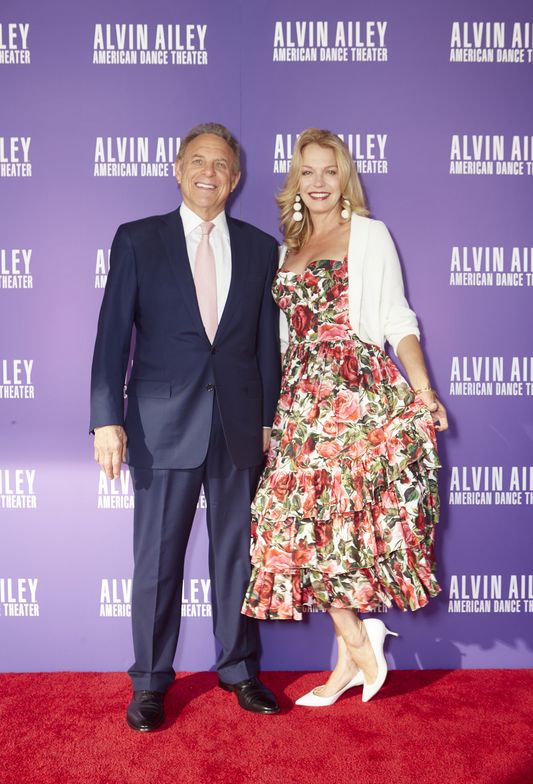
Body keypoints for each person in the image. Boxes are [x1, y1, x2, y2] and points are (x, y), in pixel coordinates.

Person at [241, 128, 448, 706]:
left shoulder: (369, 235)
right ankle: (357, 648)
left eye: (329, 171)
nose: (319, 183)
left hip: (355, 398)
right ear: (295, 182)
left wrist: (423, 387)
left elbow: (395, 318)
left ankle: (355, 647)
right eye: (307, 172)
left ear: (345, 177)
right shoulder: (287, 249)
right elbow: (279, 341)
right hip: (301, 406)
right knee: (301, 528)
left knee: (337, 533)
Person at [90, 123, 282, 731]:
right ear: (178, 170)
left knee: (238, 557)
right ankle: (149, 682)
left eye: (222, 164)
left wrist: (270, 422)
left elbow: (263, 349)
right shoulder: (138, 240)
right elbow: (111, 337)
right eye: (198, 161)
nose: (210, 173)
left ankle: (239, 669)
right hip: (159, 425)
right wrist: (105, 420)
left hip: (237, 424)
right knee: (157, 560)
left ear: (236, 177)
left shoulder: (258, 248)